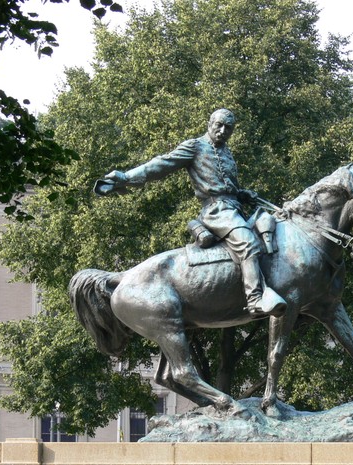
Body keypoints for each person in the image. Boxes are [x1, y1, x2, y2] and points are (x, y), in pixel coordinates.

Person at [95, 108, 286, 317]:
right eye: (219, 125)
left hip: (235, 209)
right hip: (216, 212)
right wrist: (125, 177)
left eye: (228, 128)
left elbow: (226, 185)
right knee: (248, 242)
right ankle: (255, 299)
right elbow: (160, 165)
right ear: (209, 123)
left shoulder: (227, 153)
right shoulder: (195, 146)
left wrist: (242, 194)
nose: (222, 131)